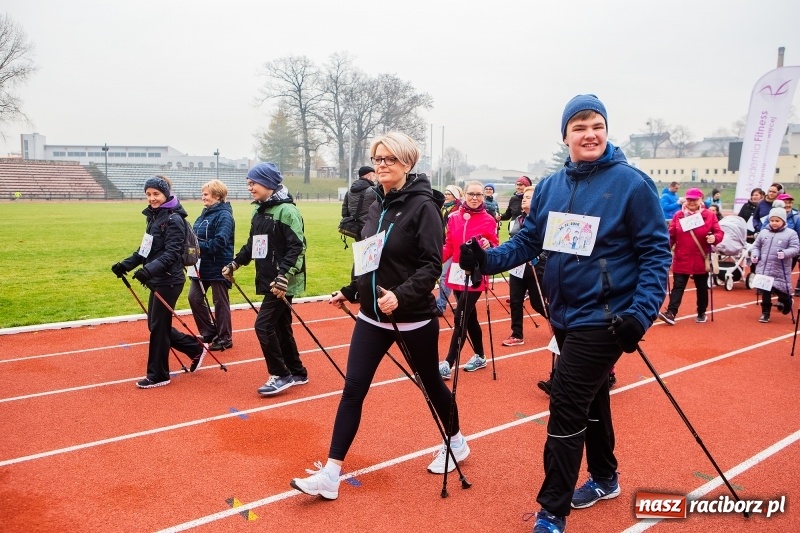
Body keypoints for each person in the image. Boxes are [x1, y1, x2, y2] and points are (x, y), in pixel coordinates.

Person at [457, 94, 672, 533]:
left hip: (607, 318)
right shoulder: (552, 185)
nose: (589, 134)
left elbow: (655, 252)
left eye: (596, 125)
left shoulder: (632, 183)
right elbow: (529, 242)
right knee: (593, 398)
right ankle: (606, 477)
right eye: (579, 127)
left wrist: (642, 313)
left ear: (607, 130)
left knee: (566, 405)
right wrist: (485, 261)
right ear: (565, 136)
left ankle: (552, 511)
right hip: (564, 315)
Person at [290, 131, 469, 501]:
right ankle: (331, 474)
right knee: (353, 388)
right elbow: (368, 258)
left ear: (408, 163)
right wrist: (352, 290)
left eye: (389, 159)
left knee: (431, 384)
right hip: (372, 317)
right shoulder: (375, 204)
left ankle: (456, 441)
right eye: (378, 159)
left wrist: (400, 297)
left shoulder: (424, 207)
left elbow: (430, 265)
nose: (382, 165)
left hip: (413, 317)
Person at [111, 175, 208, 388]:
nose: (152, 198)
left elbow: (172, 253)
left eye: (156, 194)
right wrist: (125, 265)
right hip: (157, 278)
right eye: (148, 194)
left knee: (158, 327)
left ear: (165, 194)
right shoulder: (153, 217)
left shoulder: (174, 220)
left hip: (170, 280)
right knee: (155, 325)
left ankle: (159, 374)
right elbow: (145, 250)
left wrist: (148, 270)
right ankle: (194, 347)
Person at [222, 162, 308, 396]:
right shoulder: (259, 210)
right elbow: (253, 244)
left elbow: (297, 248)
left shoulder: (287, 211)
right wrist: (236, 263)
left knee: (263, 325)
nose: (250, 187)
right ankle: (297, 371)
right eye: (248, 183)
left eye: (254, 183)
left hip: (281, 282)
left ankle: (281, 374)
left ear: (269, 183)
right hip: (268, 276)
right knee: (281, 327)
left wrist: (284, 277)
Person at [438, 180, 499, 378]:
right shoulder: (454, 217)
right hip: (456, 274)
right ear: (464, 194)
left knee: (460, 317)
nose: (474, 198)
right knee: (470, 318)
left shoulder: (489, 219)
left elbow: (496, 245)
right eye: (471, 194)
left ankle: (448, 363)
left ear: (483, 197)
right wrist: (434, 261)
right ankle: (480, 356)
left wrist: (489, 245)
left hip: (475, 275)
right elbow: (449, 245)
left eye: (478, 195)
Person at [658, 187, 724, 325]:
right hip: (682, 257)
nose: (691, 202)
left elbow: (719, 233)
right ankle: (671, 313)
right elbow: (671, 236)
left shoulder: (709, 215)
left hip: (700, 257)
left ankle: (701, 311)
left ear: (701, 199)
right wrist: (664, 251)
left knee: (701, 287)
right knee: (678, 286)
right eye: (689, 199)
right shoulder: (678, 215)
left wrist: (714, 238)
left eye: (695, 199)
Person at [188, 179, 235, 351]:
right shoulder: (204, 214)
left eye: (206, 194)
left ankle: (225, 338)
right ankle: (208, 332)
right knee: (194, 297)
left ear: (217, 195)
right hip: (200, 265)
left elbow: (220, 242)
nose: (203, 197)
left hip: (218, 265)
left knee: (220, 302)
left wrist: (198, 248)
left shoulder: (224, 215)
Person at [503, 185, 547, 347]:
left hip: (536, 268)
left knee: (537, 302)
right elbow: (512, 240)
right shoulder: (517, 220)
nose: (524, 200)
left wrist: (538, 257)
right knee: (515, 301)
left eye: (529, 197)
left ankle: (558, 325)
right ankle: (517, 334)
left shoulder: (543, 220)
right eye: (524, 198)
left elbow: (548, 246)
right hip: (517, 267)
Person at [751, 207, 799, 322]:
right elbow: (756, 246)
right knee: (765, 289)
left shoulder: (791, 233)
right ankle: (765, 312)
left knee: (779, 289)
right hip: (764, 267)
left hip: (779, 267)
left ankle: (787, 300)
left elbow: (796, 248)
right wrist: (755, 255)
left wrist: (785, 253)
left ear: (783, 221)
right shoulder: (764, 232)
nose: (774, 223)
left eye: (777, 221)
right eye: (772, 220)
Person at [435, 184, 463, 315]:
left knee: (445, 275)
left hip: (455, 246)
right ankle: (461, 303)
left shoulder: (458, 209)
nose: (445, 196)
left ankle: (440, 306)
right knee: (452, 277)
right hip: (443, 244)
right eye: (445, 193)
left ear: (455, 196)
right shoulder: (442, 208)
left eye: (448, 193)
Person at [341, 166, 378, 242]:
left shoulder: (349, 192)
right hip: (370, 227)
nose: (375, 178)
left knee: (361, 251)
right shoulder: (372, 191)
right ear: (368, 176)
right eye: (373, 175)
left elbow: (344, 212)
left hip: (355, 229)